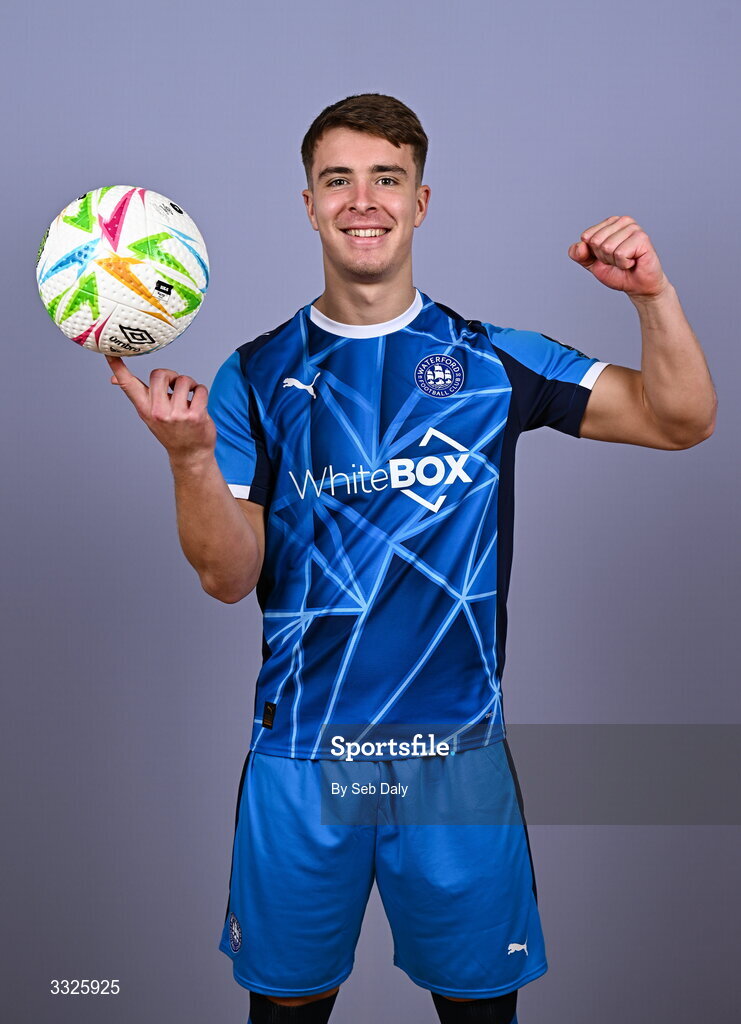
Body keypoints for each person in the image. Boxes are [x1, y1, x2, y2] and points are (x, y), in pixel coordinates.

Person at [107, 94, 717, 1024]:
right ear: (307, 203)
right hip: (305, 758)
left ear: (420, 201)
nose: (363, 200)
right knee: (287, 1013)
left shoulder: (493, 361)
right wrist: (191, 458)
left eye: (386, 179)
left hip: (455, 757)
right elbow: (228, 575)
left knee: (478, 1016)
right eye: (338, 180)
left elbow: (682, 420)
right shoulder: (253, 374)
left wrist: (652, 297)